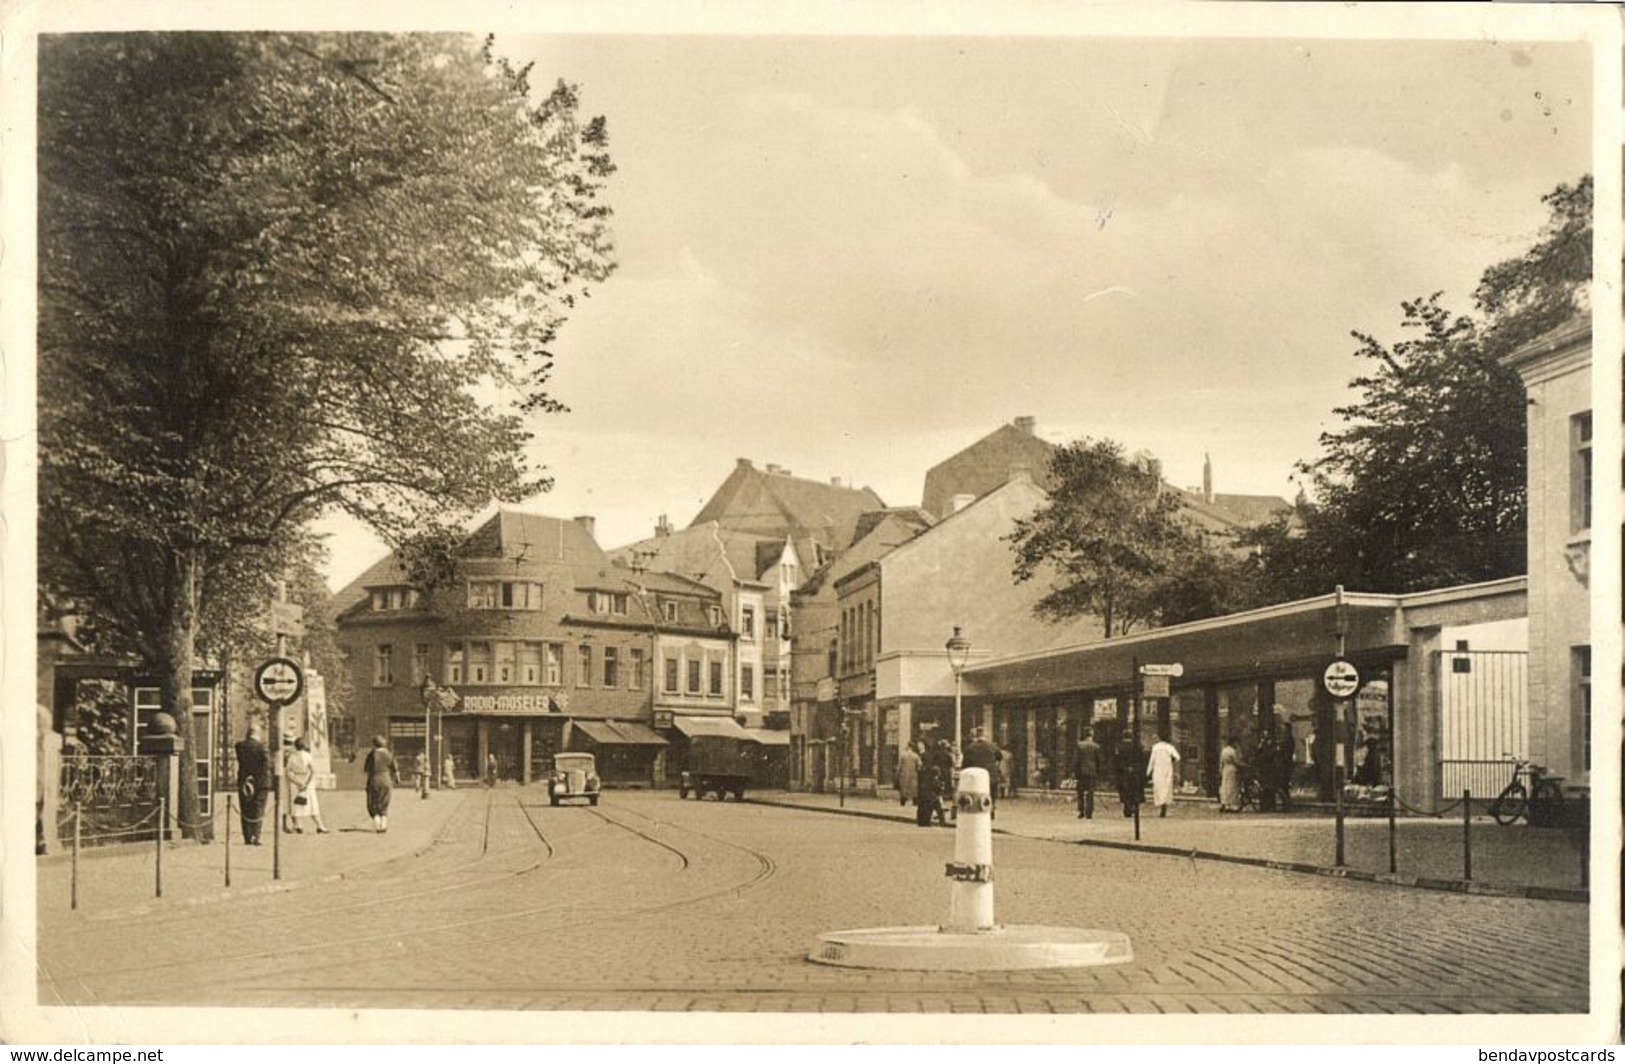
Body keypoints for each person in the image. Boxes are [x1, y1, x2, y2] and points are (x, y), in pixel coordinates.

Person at [234, 723, 271, 845]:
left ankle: (247, 836)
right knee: (258, 809)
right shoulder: (262, 747)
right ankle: (256, 835)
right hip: (260, 783)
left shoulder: (239, 746)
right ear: (257, 733)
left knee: (245, 808)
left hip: (244, 781)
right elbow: (266, 765)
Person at [285, 736, 331, 834]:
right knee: (312, 805)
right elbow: (312, 771)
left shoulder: (292, 757)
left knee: (296, 804)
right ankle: (320, 825)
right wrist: (306, 783)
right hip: (307, 782)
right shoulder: (308, 756)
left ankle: (298, 825)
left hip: (295, 782)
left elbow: (288, 772)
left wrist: (297, 782)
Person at [961, 727, 1001, 816]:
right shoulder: (992, 746)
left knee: (976, 793)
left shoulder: (969, 748)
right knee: (991, 793)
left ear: (976, 735)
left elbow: (965, 764)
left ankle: (978, 809)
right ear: (985, 735)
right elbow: (999, 757)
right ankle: (991, 809)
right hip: (991, 776)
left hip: (976, 777)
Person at [363, 735, 400, 833]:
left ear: (374, 744)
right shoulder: (389, 754)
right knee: (384, 802)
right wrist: (397, 779)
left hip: (374, 779)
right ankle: (384, 825)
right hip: (386, 780)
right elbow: (396, 770)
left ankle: (377, 823)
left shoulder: (371, 755)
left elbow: (366, 769)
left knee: (372, 803)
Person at [1146, 731, 1182, 818]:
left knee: (1159, 787)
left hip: (1158, 769)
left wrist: (1148, 772)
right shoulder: (1169, 747)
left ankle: (1162, 805)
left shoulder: (1155, 748)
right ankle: (1164, 806)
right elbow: (1178, 757)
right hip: (1167, 770)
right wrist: (1170, 760)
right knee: (1166, 788)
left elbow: (1152, 760)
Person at [1071, 728, 1101, 818]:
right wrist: (1098, 771)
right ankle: (1089, 812)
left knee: (1080, 792)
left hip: (1081, 772)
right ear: (1092, 734)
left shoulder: (1079, 746)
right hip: (1092, 772)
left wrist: (1073, 770)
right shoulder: (1096, 746)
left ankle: (1081, 811)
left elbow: (1076, 760)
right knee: (1090, 792)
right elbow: (1098, 761)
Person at [1115, 736, 1142, 817]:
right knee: (1134, 789)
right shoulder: (1137, 746)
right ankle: (1134, 805)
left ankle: (1127, 808)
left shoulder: (1119, 746)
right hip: (1135, 771)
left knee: (1125, 790)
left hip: (1123, 772)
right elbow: (1140, 759)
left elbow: (1117, 759)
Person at [1218, 734, 1242, 813]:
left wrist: (1221, 770)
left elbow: (1221, 762)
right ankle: (1232, 805)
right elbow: (1236, 761)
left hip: (1225, 769)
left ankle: (1225, 803)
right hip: (1232, 769)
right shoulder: (1232, 751)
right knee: (1232, 787)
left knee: (1225, 786)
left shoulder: (1224, 750)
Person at [897, 741, 921, 808]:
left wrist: (897, 774)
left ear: (908, 746)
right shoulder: (915, 755)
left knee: (904, 789)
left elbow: (899, 766)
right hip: (913, 775)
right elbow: (919, 765)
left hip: (904, 775)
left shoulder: (902, 755)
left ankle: (903, 803)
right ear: (913, 747)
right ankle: (914, 803)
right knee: (914, 790)